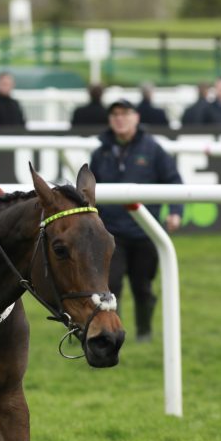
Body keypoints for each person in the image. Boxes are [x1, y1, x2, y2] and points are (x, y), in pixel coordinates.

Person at [90, 98, 183, 342]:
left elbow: (173, 181)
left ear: (136, 118)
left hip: (146, 231)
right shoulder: (101, 151)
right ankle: (112, 334)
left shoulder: (153, 149)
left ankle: (144, 332)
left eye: (125, 113)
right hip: (111, 233)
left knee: (143, 288)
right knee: (111, 287)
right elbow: (89, 189)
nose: (119, 118)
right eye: (115, 115)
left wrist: (175, 210)